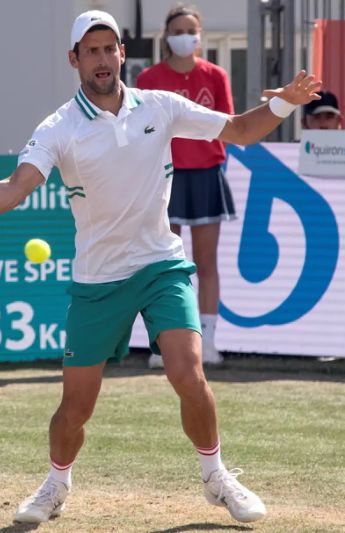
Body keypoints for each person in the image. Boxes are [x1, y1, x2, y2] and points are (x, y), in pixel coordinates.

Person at [0, 10, 321, 525]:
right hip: (98, 280)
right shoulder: (59, 128)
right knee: (76, 408)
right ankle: (55, 485)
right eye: (92, 50)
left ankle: (216, 477)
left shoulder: (160, 106)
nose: (104, 58)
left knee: (188, 372)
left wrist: (286, 101)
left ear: (121, 54)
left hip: (160, 265)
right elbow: (17, 185)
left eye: (110, 48)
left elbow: (241, 130)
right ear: (75, 60)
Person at [136, 4, 234, 369]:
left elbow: (230, 124)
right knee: (165, 265)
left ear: (200, 35)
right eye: (177, 30)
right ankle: (163, 344)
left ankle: (207, 343)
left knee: (206, 263)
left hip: (207, 173)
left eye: (191, 30)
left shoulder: (216, 75)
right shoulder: (148, 77)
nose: (184, 36)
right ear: (167, 36)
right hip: (164, 177)